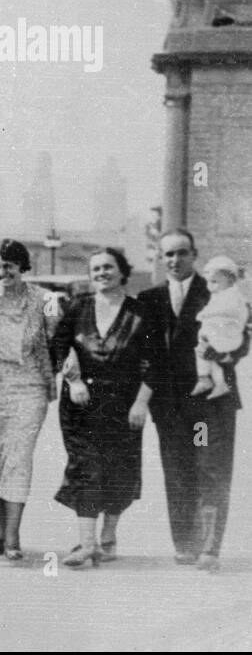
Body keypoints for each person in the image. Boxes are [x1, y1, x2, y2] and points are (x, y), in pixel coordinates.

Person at [136, 229, 247, 571]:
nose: (174, 260)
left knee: (210, 468)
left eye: (181, 253)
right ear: (159, 257)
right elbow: (143, 352)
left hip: (208, 406)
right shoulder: (149, 299)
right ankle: (184, 542)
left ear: (194, 255)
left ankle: (209, 547)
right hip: (169, 406)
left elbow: (242, 338)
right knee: (178, 471)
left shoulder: (217, 290)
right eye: (167, 254)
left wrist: (224, 355)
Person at [50, 247, 150, 568]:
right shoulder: (77, 307)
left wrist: (141, 403)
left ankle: (108, 535)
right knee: (86, 466)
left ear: (123, 272)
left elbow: (155, 363)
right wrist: (73, 381)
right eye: (96, 269)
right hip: (81, 404)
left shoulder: (140, 313)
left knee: (120, 469)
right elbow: (58, 349)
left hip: (124, 405)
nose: (102, 273)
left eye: (108, 267)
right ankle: (87, 543)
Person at [0, 239, 59, 560]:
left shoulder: (43, 299)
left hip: (28, 386)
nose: (3, 272)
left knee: (17, 458)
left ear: (22, 267)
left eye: (9, 266)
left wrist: (58, 374)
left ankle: (14, 534)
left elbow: (58, 341)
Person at [190, 255, 247, 398]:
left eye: (214, 282)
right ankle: (217, 382)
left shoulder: (232, 295)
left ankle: (205, 378)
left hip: (227, 337)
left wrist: (205, 314)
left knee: (205, 351)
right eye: (208, 282)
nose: (210, 286)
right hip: (219, 337)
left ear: (230, 280)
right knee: (206, 355)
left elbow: (230, 312)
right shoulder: (218, 295)